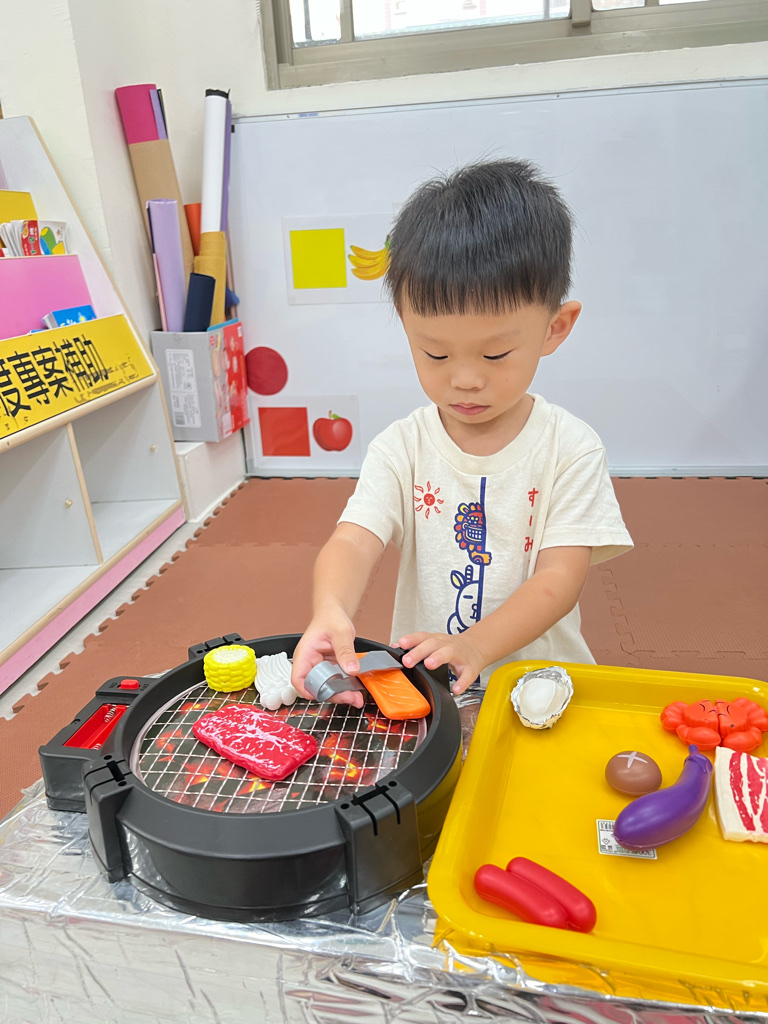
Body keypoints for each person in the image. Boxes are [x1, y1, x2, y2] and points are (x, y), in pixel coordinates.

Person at [291, 159, 632, 705]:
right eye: (435, 353)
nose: (465, 380)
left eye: (495, 354)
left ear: (555, 327)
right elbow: (354, 539)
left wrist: (476, 645)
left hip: (542, 686)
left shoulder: (569, 448)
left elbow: (558, 580)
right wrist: (330, 608)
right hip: (435, 687)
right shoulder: (402, 447)